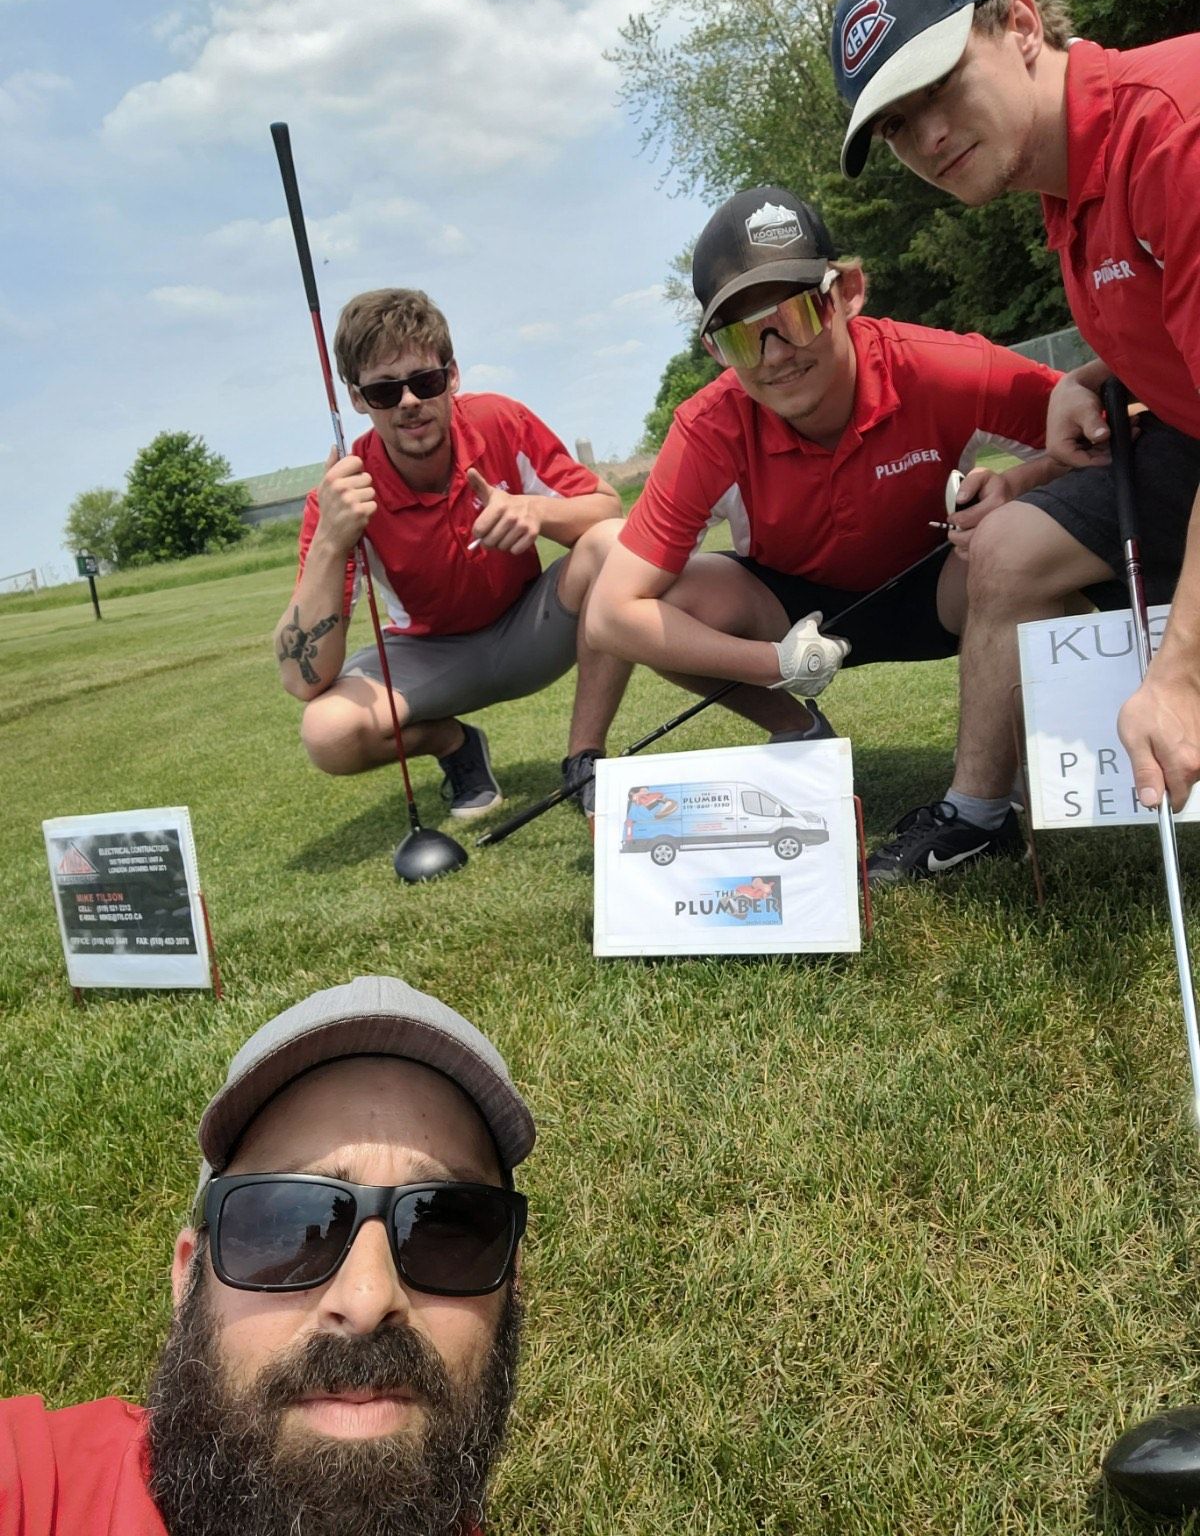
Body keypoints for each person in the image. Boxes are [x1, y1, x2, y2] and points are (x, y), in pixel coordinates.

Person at [833, 0, 1200, 878]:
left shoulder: (1175, 127)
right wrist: (1096, 381)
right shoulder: (1067, 192)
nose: (926, 139)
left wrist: (1181, 674)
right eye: (897, 126)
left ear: (1023, 24)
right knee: (1005, 548)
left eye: (939, 87)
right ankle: (978, 816)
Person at [587, 184, 1061, 871]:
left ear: (847, 293)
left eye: (795, 315)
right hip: (792, 615)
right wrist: (775, 665)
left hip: (944, 585)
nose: (774, 352)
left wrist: (1018, 483)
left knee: (1026, 538)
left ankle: (981, 807)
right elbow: (611, 614)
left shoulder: (938, 365)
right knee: (677, 597)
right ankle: (801, 732)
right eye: (743, 336)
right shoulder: (708, 426)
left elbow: (1105, 430)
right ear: (717, 352)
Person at [0, 975, 536, 1536]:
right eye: (289, 1225)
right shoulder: (35, 1485)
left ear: (512, 1282)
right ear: (188, 1278)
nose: (367, 1299)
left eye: (443, 1230)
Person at [274, 287, 630, 821]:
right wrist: (330, 538)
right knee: (328, 734)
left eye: (425, 381)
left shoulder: (499, 420)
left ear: (453, 375)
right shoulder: (342, 494)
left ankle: (585, 761)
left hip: (531, 631)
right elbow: (303, 679)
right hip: (430, 657)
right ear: (357, 399)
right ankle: (453, 744)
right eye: (384, 391)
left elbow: (608, 509)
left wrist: (535, 511)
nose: (409, 402)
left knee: (614, 544)